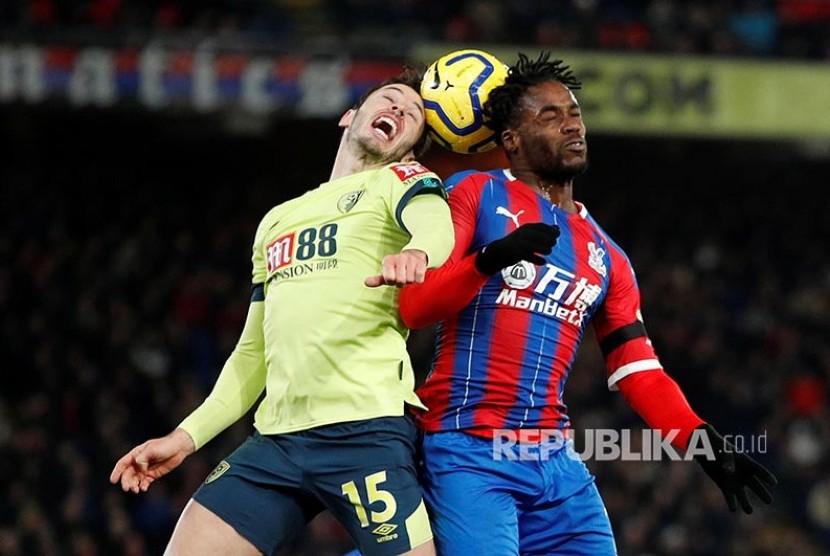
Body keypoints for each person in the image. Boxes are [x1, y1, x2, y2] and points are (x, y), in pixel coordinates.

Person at [398, 52, 778, 555]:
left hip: (556, 462)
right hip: (468, 449)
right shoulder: (473, 193)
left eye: (574, 113)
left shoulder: (608, 255)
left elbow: (639, 371)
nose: (571, 125)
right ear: (511, 140)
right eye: (549, 116)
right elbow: (415, 307)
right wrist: (487, 260)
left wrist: (703, 444)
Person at [110, 66, 455, 556]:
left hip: (365, 430)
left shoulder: (402, 180)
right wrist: (185, 439)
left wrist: (418, 253)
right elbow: (252, 355)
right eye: (391, 98)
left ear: (410, 147)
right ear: (349, 116)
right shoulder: (279, 219)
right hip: (278, 441)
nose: (400, 109)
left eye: (414, 114)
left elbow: (435, 226)